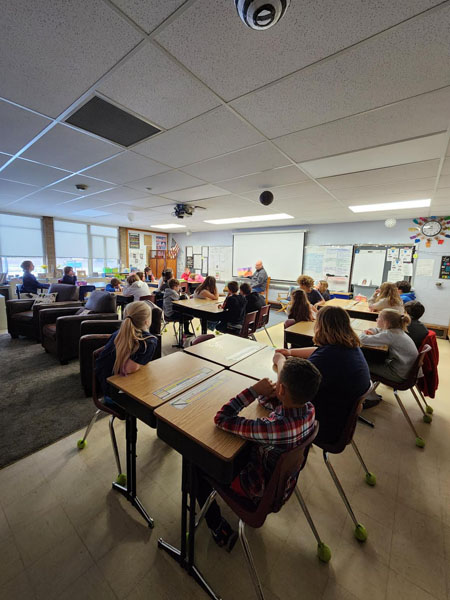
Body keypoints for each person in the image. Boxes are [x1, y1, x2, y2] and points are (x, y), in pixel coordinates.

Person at [196, 358, 320, 550]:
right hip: (283, 485)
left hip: (257, 490)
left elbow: (222, 418)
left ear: (282, 390)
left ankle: (215, 524)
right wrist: (271, 394)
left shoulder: (273, 429)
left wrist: (253, 391)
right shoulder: (309, 409)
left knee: (196, 461)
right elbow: (275, 408)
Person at [274, 306, 370, 445]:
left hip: (325, 426)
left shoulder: (328, 357)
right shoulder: (348, 347)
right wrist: (290, 352)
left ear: (321, 326)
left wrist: (280, 360)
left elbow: (284, 386)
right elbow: (318, 350)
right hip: (341, 417)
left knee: (271, 400)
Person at [95, 301, 157, 402]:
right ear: (147, 321)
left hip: (104, 385)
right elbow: (129, 369)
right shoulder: (149, 342)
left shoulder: (119, 333)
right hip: (117, 393)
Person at [359, 308, 418, 384]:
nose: (376, 319)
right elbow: (380, 330)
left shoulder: (390, 335)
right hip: (405, 371)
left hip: (397, 374)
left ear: (386, 322)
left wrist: (363, 332)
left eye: (379, 317)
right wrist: (372, 331)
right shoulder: (397, 330)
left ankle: (367, 391)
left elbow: (363, 339)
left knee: (362, 364)